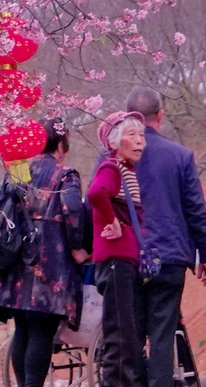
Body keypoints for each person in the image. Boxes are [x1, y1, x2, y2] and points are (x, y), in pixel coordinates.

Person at [0, 118, 89, 387]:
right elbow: (73, 212)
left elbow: (5, 206)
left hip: (18, 257)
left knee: (22, 327)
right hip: (50, 260)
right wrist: (78, 248)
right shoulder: (66, 173)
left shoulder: (19, 168)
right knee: (42, 329)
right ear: (60, 144)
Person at [124, 88, 206, 387]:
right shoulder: (181, 156)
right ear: (160, 116)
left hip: (128, 258)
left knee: (130, 336)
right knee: (161, 335)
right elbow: (196, 212)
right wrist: (204, 255)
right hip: (169, 258)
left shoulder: (113, 156)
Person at [89, 111, 148, 387]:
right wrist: (112, 220)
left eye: (141, 135)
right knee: (121, 336)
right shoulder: (111, 168)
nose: (139, 141)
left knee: (131, 336)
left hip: (127, 262)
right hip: (116, 261)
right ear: (113, 142)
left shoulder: (128, 171)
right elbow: (94, 193)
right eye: (131, 134)